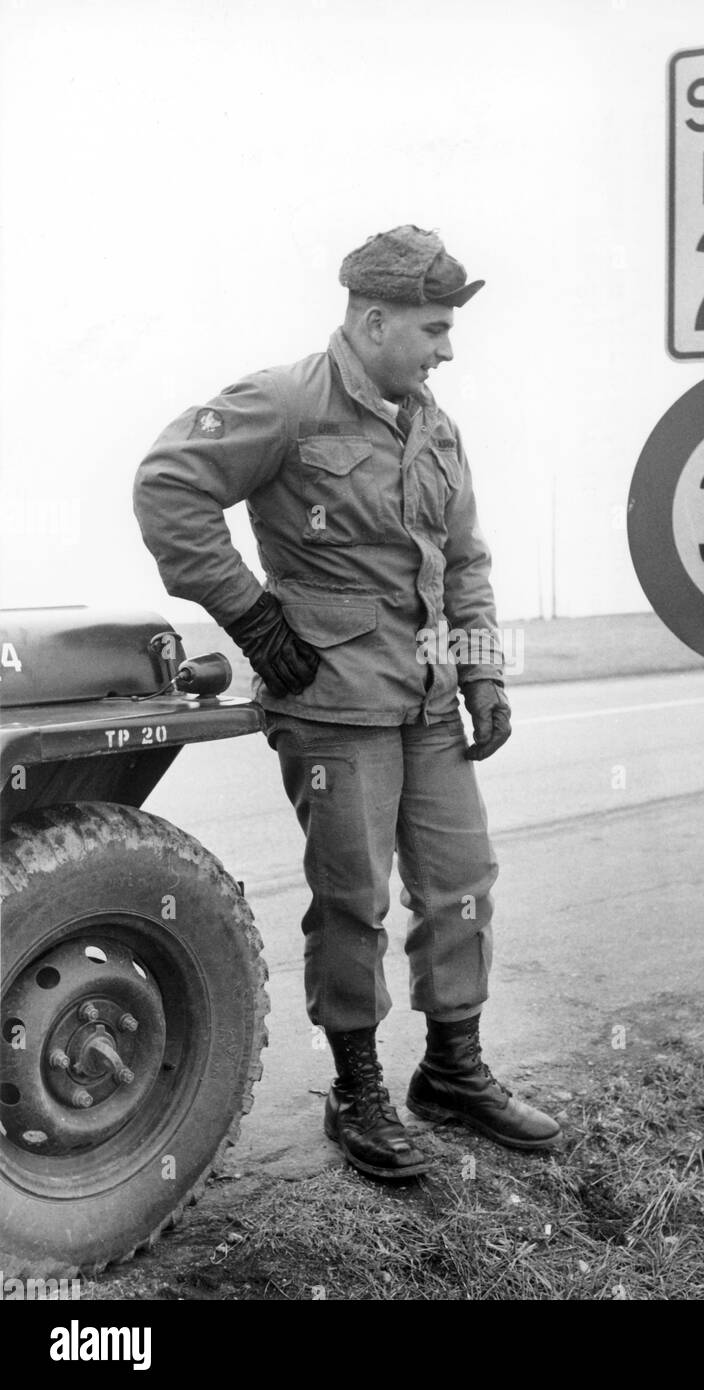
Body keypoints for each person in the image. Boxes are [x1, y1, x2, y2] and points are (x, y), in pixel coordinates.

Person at [133, 224, 560, 1179]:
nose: (447, 349)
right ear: (373, 321)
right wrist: (249, 616)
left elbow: (467, 560)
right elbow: (169, 488)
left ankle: (451, 1071)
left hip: (426, 701)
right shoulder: (284, 401)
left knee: (461, 883)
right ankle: (356, 1090)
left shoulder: (434, 423)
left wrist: (483, 669)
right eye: (434, 329)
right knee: (353, 903)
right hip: (330, 701)